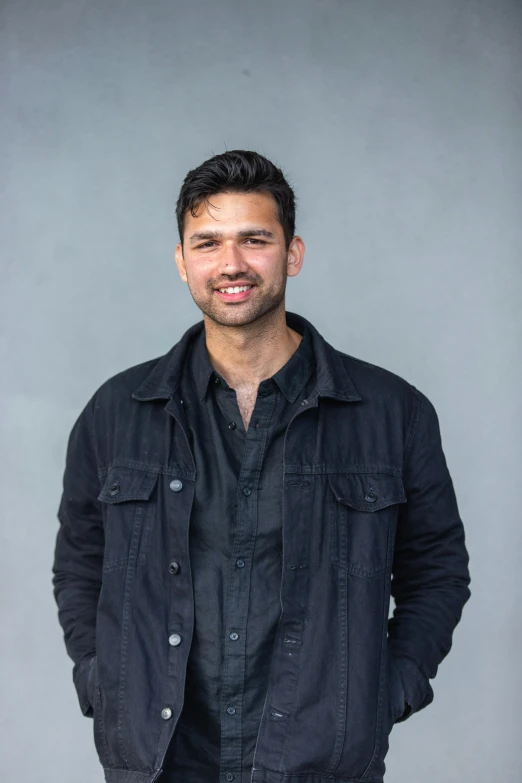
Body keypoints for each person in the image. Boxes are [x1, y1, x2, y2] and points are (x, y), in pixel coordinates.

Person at [52, 149, 471, 783]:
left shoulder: (394, 413)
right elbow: (81, 565)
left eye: (255, 239)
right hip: (158, 762)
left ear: (292, 253)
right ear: (181, 261)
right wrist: (100, 677)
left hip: (321, 763)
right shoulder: (116, 413)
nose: (231, 264)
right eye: (207, 243)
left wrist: (384, 692)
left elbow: (437, 570)